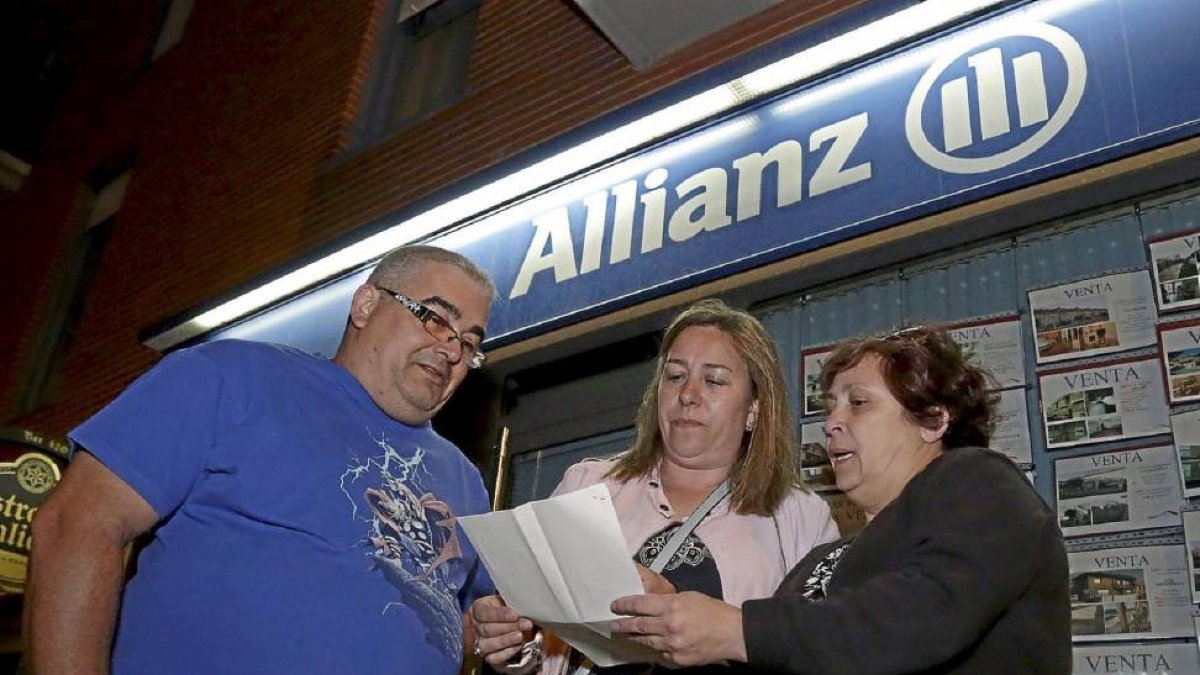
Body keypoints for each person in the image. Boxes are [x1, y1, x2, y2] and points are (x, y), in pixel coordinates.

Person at [25, 245, 498, 675]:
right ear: (366, 304)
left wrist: (490, 637)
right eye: (435, 318)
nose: (451, 349)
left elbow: (458, 628)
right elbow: (77, 525)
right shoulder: (228, 378)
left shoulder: (466, 481)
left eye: (470, 342)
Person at [609, 325, 1071, 674]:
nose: (831, 422)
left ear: (932, 420)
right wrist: (676, 619)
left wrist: (735, 629)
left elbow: (919, 615)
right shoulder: (824, 557)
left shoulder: (981, 482)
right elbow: (785, 652)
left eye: (858, 403)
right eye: (829, 405)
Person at [469, 299, 839, 675]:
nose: (688, 395)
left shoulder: (799, 517)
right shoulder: (589, 484)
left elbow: (820, 651)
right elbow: (544, 648)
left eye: (713, 380)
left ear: (754, 409)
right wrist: (512, 646)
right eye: (675, 376)